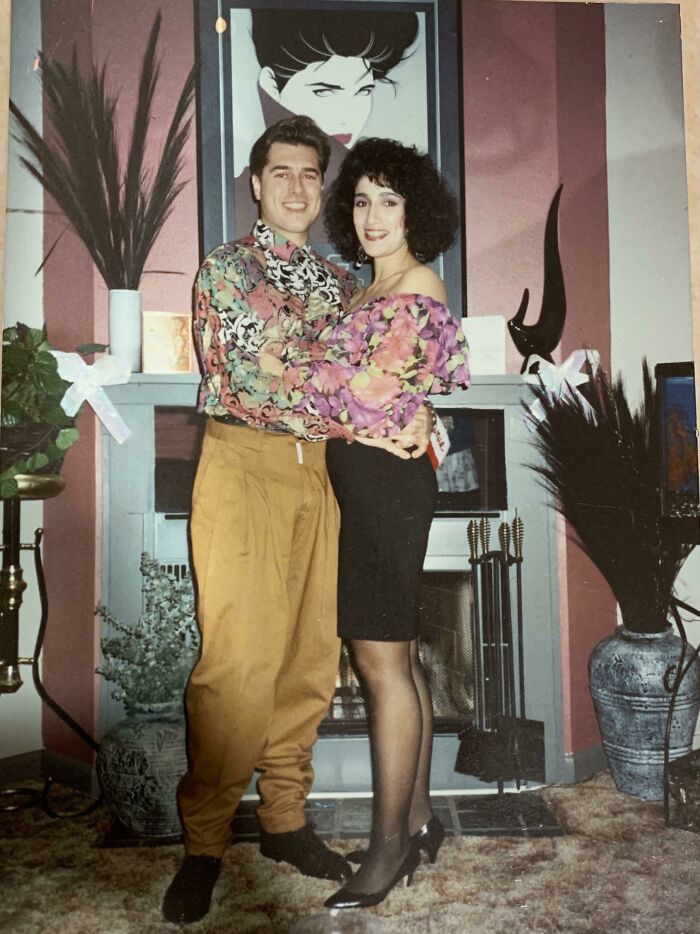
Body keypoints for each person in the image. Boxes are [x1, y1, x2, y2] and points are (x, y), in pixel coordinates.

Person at [161, 115, 432, 926]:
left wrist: (420, 418)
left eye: (311, 173)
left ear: (325, 187)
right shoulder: (225, 271)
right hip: (243, 464)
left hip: (322, 474)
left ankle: (284, 820)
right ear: (255, 182)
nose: (297, 187)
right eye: (281, 172)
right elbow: (245, 381)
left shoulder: (345, 285)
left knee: (310, 660)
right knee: (236, 664)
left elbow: (377, 380)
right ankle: (204, 843)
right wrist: (342, 396)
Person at [313, 138, 470, 909]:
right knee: (397, 659)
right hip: (368, 482)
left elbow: (365, 395)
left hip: (388, 488)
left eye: (390, 200)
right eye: (362, 199)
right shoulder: (359, 291)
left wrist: (313, 390)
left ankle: (387, 849)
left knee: (379, 664)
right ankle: (420, 818)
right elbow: (365, 397)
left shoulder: (415, 285)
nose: (373, 215)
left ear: (417, 210)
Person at [233, 9, 420, 240]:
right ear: (271, 86)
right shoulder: (234, 199)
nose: (347, 114)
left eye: (363, 90)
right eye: (324, 91)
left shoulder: (376, 194)